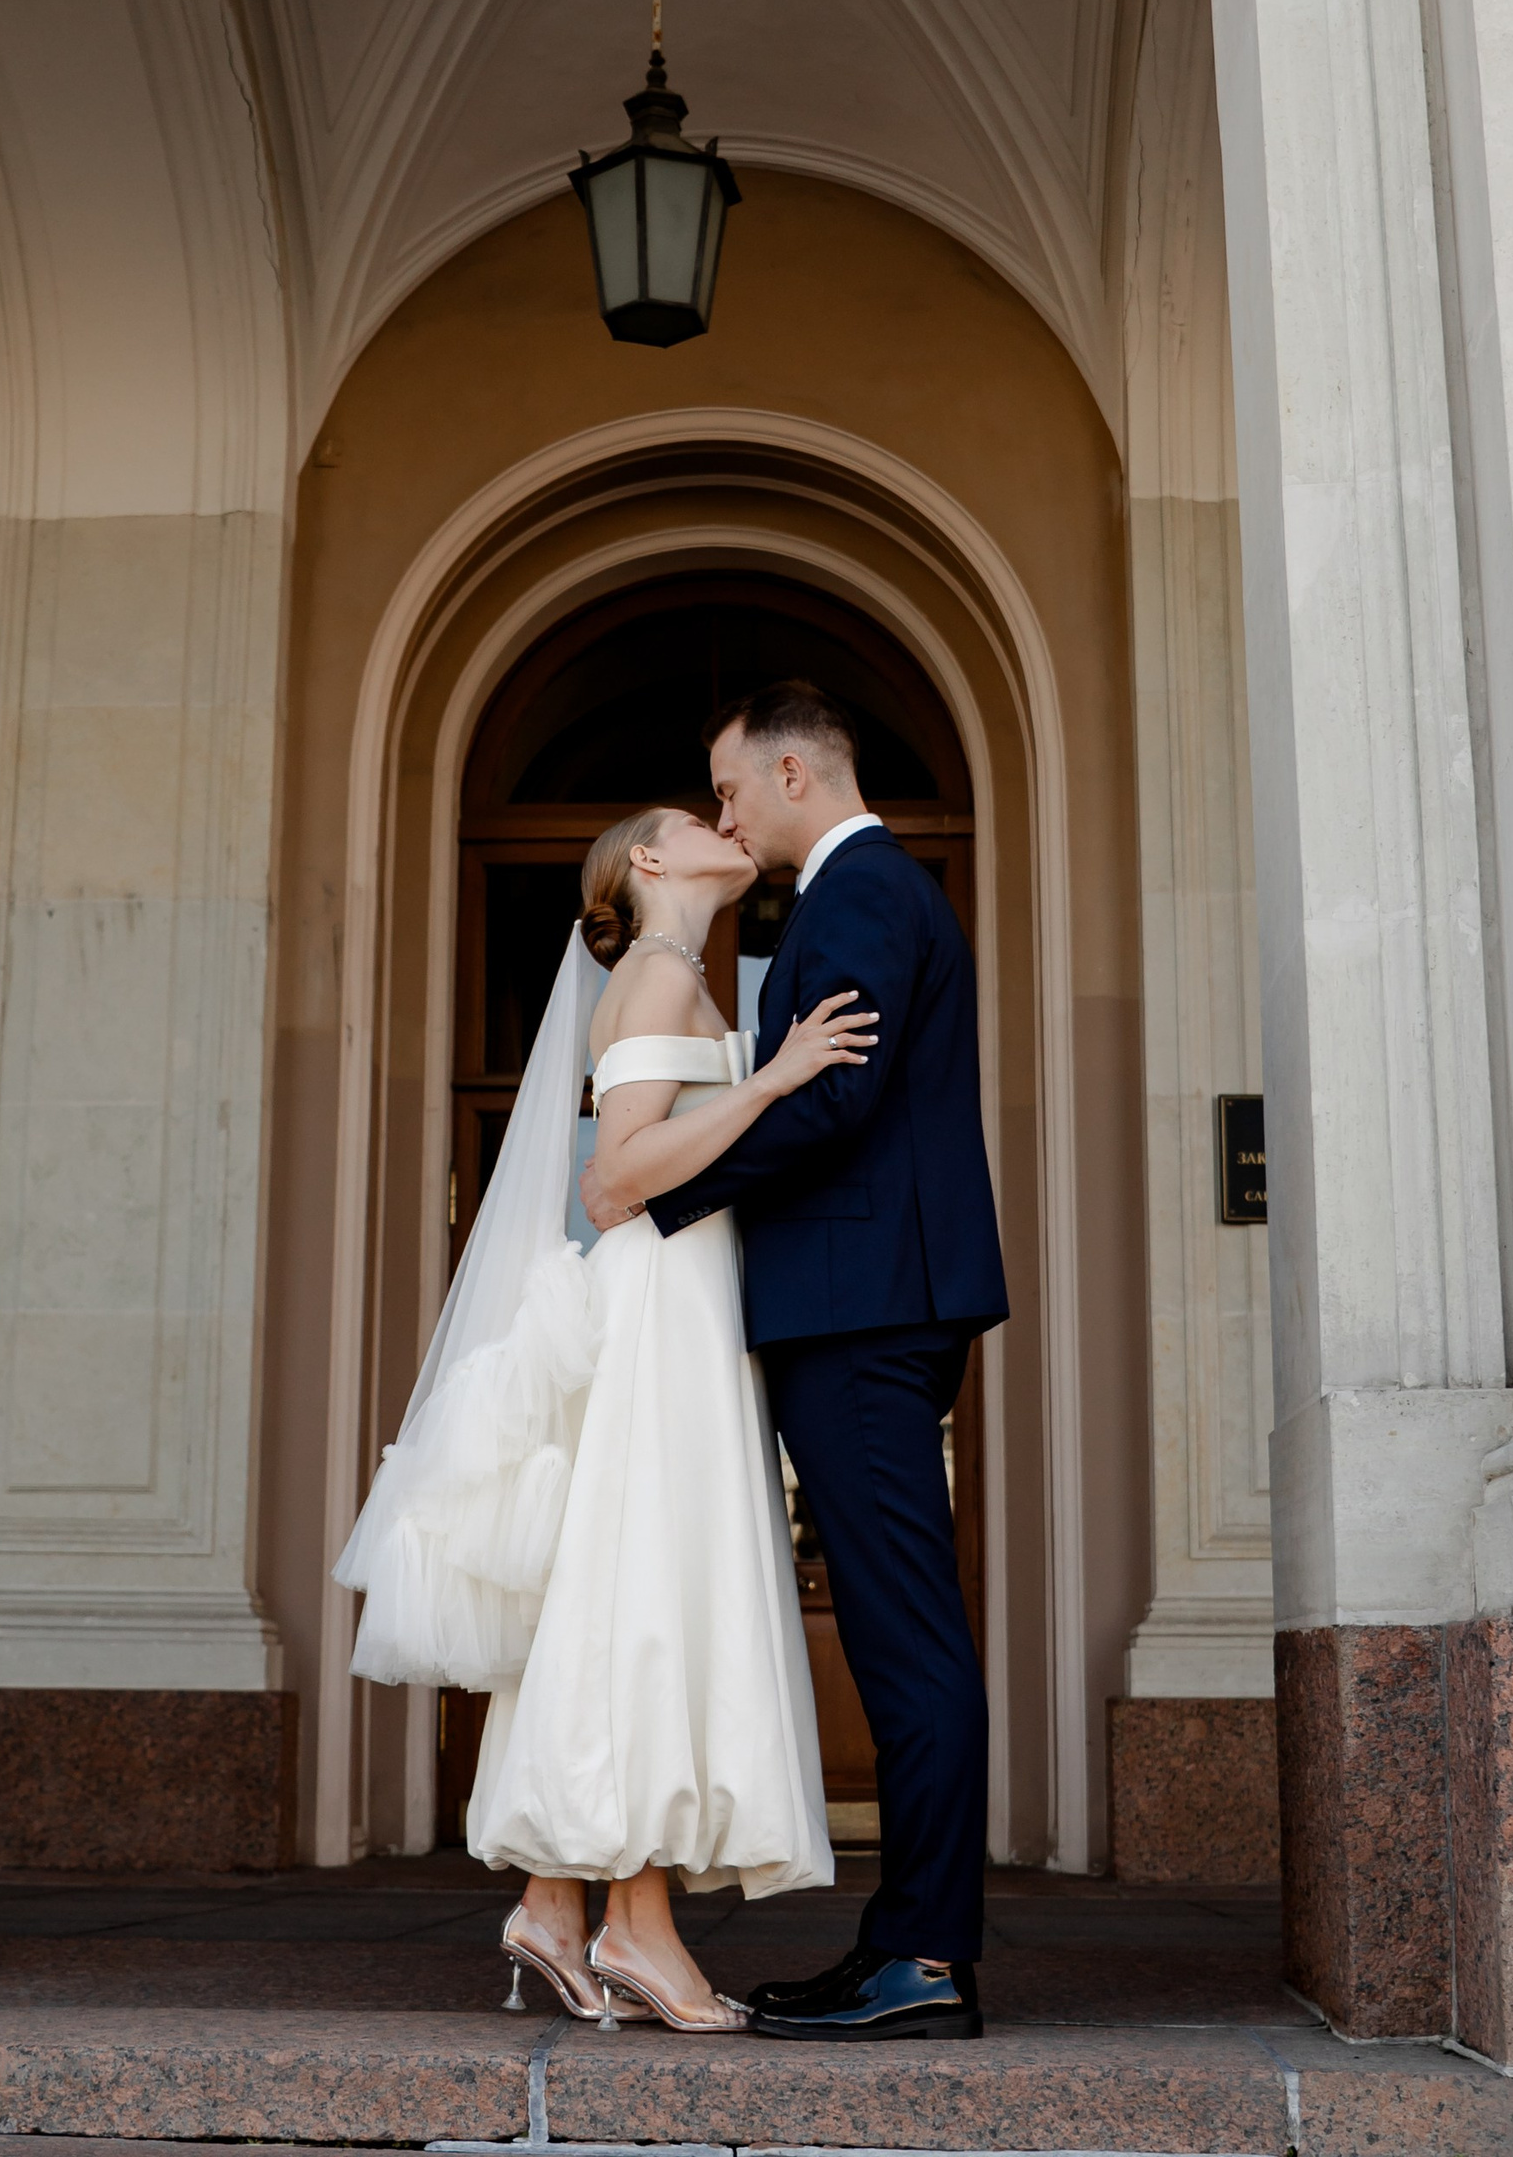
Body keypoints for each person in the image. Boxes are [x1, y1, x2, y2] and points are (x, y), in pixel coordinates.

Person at [334, 800, 875, 2031]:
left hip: (686, 1299)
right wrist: (776, 1078)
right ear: (647, 862)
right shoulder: (656, 977)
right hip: (662, 1304)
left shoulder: (677, 973)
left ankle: (556, 1905)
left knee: (626, 1593)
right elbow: (616, 1178)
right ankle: (635, 1927)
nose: (727, 822)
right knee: (647, 1595)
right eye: (697, 817)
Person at [583, 680, 1007, 2042]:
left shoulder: (860, 890)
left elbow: (836, 1097)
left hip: (862, 1315)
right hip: (864, 1305)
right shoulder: (855, 894)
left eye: (728, 791)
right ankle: (902, 1944)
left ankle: (923, 1958)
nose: (724, 819)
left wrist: (656, 1192)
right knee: (893, 1629)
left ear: (790, 773)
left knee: (905, 1635)